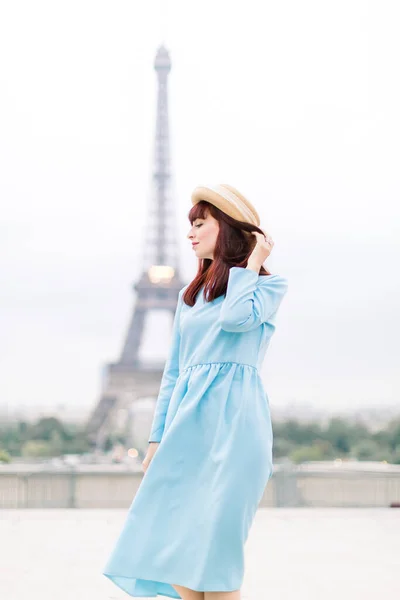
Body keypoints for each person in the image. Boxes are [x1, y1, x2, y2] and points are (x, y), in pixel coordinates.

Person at [103, 183, 289, 600]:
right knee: (182, 551)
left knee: (219, 556)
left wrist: (251, 263)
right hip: (187, 428)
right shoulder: (190, 298)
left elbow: (236, 320)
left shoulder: (267, 288)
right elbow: (173, 372)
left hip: (237, 425)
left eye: (200, 224)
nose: (190, 235)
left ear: (227, 228)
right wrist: (155, 439)